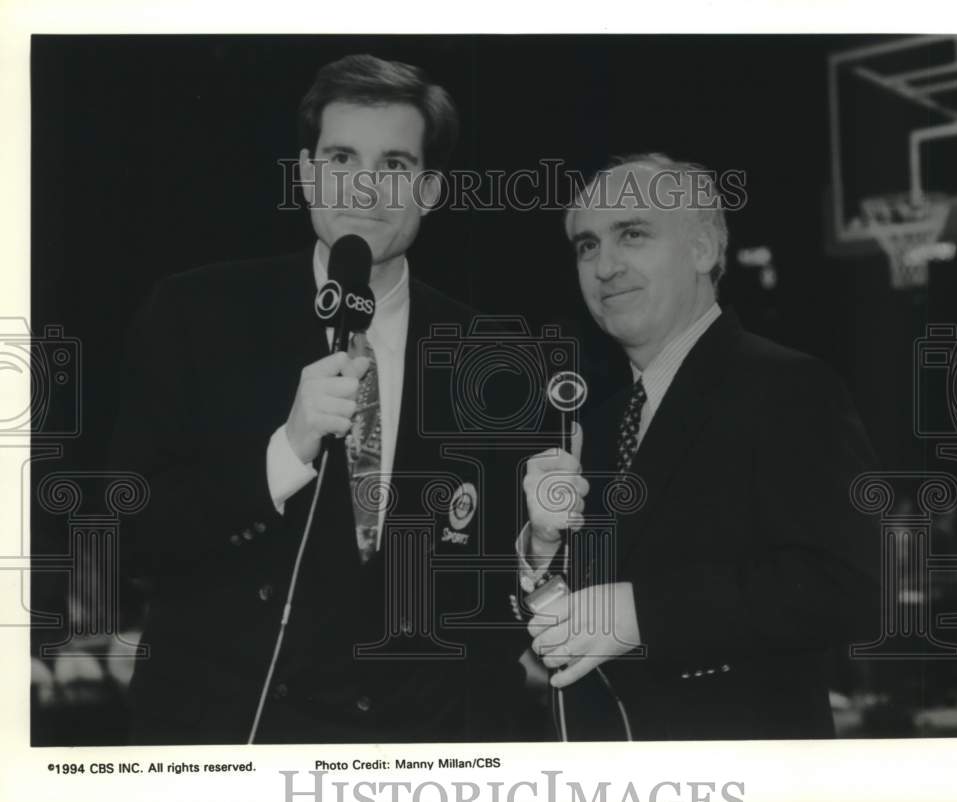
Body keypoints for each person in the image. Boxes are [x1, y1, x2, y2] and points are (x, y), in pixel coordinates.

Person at [111, 54, 522, 745]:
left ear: (430, 190)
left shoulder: (489, 354)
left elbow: (489, 601)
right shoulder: (196, 311)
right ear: (305, 175)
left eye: (394, 165)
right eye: (340, 158)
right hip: (228, 734)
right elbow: (127, 532)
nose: (364, 187)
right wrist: (284, 453)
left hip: (408, 749)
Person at [519, 154, 881, 740]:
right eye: (587, 245)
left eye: (631, 234)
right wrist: (540, 548)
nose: (604, 266)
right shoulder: (599, 424)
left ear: (704, 251)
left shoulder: (789, 386)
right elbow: (569, 624)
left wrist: (645, 614)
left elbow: (851, 585)